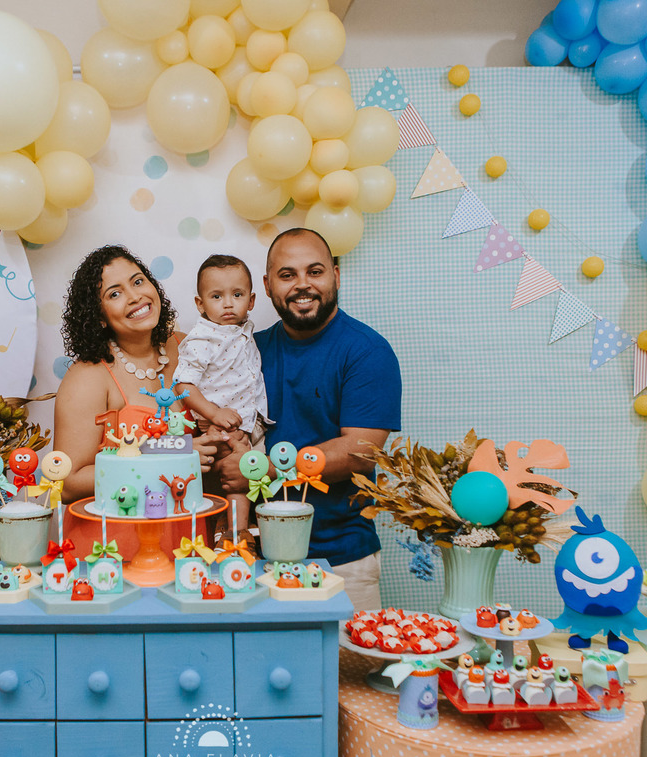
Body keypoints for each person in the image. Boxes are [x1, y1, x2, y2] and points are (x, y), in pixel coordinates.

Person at [214, 228, 402, 610]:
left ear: (335, 274)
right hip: (253, 557)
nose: (302, 285)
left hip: (341, 559)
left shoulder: (367, 352)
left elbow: (360, 452)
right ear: (267, 286)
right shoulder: (248, 351)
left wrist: (262, 469)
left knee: (346, 668)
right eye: (287, 275)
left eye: (314, 272)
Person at [55, 244, 225, 509]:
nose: (135, 296)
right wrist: (173, 460)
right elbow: (67, 483)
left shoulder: (190, 347)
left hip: (192, 523)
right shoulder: (87, 377)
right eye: (115, 294)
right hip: (119, 533)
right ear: (99, 316)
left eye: (138, 281)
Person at [174, 254, 270, 535]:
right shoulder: (203, 339)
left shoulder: (243, 330)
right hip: (220, 422)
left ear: (251, 301)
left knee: (253, 473)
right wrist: (214, 413)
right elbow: (183, 385)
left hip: (250, 421)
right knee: (238, 467)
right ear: (200, 304)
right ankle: (236, 533)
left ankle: (237, 525)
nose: (228, 303)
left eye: (237, 294)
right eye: (216, 296)